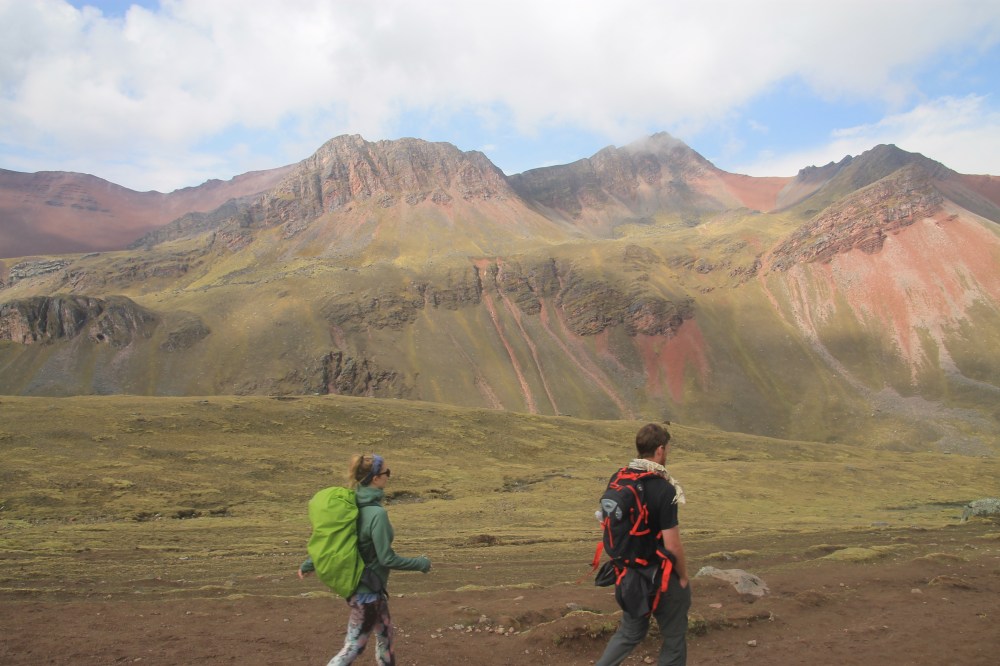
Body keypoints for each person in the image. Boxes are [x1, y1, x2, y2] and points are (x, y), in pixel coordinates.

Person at [298, 454, 431, 666]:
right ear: (376, 478)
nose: (389, 476)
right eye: (387, 473)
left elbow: (333, 538)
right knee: (353, 647)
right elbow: (387, 558)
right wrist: (421, 563)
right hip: (366, 594)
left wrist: (308, 564)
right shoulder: (376, 515)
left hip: (371, 591)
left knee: (386, 635)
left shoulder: (348, 507)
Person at [595, 423, 690, 666]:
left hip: (629, 575)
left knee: (629, 633)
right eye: (667, 449)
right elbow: (673, 545)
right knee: (674, 637)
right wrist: (683, 577)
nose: (667, 453)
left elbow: (606, 521)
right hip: (661, 574)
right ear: (659, 450)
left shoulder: (620, 477)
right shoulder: (664, 489)